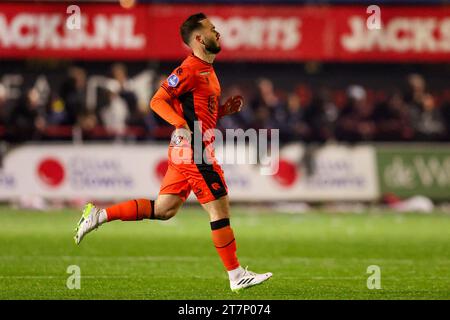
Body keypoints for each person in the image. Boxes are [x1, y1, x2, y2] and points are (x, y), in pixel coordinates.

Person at [74, 13, 272, 292]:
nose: (219, 33)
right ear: (200, 38)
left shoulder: (208, 70)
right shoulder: (189, 69)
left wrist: (224, 110)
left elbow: (199, 113)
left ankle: (98, 216)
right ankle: (236, 275)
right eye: (213, 29)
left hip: (187, 150)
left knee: (163, 209)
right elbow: (158, 100)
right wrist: (180, 124)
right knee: (219, 206)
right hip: (194, 151)